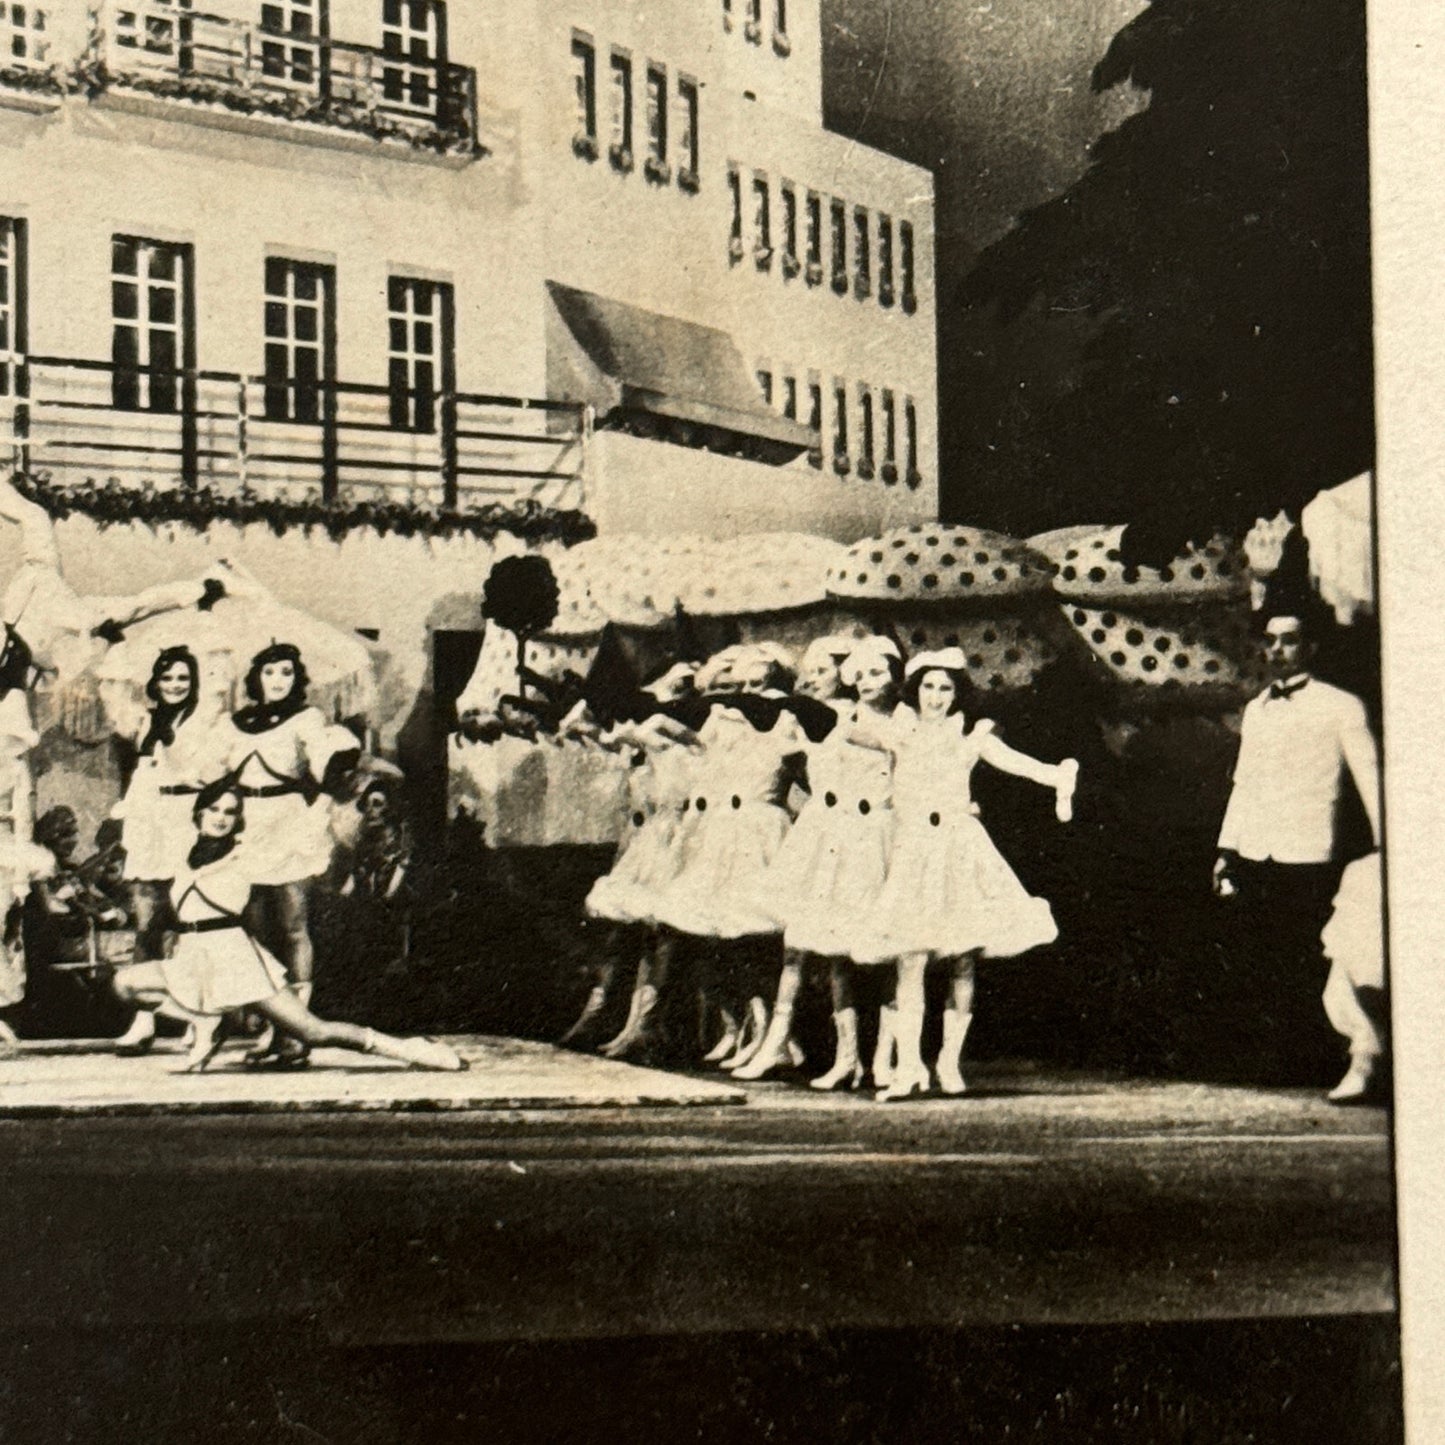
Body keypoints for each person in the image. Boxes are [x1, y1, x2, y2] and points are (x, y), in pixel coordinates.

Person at [109, 779, 464, 1073]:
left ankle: (410, 1050)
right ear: (199, 812)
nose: (221, 818)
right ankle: (205, 1020)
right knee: (125, 985)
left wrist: (325, 800)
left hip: (235, 958)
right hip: (192, 957)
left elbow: (302, 844)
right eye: (214, 809)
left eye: (230, 812)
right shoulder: (182, 855)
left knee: (313, 1032)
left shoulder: (246, 854)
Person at [855, 651, 1078, 1100]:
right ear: (914, 690)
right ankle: (907, 1067)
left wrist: (1058, 777)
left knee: (963, 956)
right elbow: (847, 729)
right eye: (928, 686)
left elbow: (1013, 761)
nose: (936, 697)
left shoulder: (969, 736)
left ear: (957, 694)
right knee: (911, 956)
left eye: (945, 688)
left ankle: (949, 1063)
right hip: (915, 849)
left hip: (958, 847)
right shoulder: (900, 731)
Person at [1213, 609, 1382, 1094]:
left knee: (1310, 955)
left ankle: (1321, 1060)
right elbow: (1244, 783)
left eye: (1288, 641)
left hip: (1309, 848)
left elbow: (1368, 775)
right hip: (1257, 847)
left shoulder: (1341, 706)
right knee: (1263, 956)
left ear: (1310, 648)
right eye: (1271, 641)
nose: (1277, 650)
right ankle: (1277, 1061)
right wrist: (1226, 848)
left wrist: (1385, 845)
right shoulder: (1257, 708)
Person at [734, 635, 901, 1085]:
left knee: (889, 949)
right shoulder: (834, 718)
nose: (865, 680)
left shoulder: (901, 719)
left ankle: (884, 1058)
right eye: (859, 674)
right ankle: (830, 1054)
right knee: (814, 945)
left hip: (879, 837)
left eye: (874, 672)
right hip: (830, 836)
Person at [216, 642, 362, 1067]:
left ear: (296, 679)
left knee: (293, 926)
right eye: (269, 672)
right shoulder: (235, 723)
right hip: (246, 826)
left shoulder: (307, 718)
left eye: (285, 673)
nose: (277, 680)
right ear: (256, 678)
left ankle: (297, 1031)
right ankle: (271, 1024)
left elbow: (323, 764)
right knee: (255, 930)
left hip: (288, 824)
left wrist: (335, 763)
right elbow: (216, 770)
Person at [107, 646, 225, 1054]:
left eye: (182, 678)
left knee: (190, 923)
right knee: (147, 923)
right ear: (155, 683)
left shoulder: (206, 720)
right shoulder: (146, 720)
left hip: (185, 819)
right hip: (150, 822)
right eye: (167, 678)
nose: (175, 685)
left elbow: (211, 773)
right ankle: (144, 1020)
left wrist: (176, 747)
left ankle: (199, 1016)